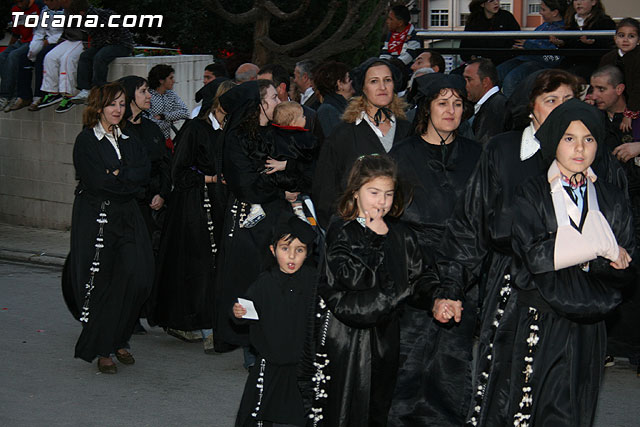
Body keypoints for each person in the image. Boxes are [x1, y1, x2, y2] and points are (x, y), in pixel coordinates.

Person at [435, 70, 628, 426]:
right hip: (514, 290)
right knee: (510, 393)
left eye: (567, 102)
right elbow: (470, 224)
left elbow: (621, 234)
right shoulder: (503, 151)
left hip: (583, 293)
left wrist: (606, 264)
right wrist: (451, 286)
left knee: (569, 396)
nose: (560, 111)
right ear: (531, 109)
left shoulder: (596, 158)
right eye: (550, 101)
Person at [499, 98, 634, 426]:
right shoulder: (530, 192)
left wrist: (593, 257)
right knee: (532, 407)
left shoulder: (611, 195)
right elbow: (536, 257)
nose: (580, 148)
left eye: (589, 139)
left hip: (591, 319)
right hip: (541, 316)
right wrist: (600, 247)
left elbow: (627, 260)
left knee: (577, 406)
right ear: (555, 139)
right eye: (569, 138)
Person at [312, 154, 440, 427]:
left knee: (377, 406)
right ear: (356, 192)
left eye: (388, 194)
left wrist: (439, 297)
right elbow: (349, 277)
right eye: (373, 192)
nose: (381, 201)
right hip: (346, 337)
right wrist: (371, 238)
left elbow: (417, 278)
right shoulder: (341, 228)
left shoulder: (400, 233)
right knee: (343, 407)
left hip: (384, 336)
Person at [387, 73, 482, 426]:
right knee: (408, 360)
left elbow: (484, 215)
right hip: (413, 267)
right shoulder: (401, 155)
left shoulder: (477, 154)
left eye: (457, 103)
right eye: (443, 103)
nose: (451, 110)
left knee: (453, 359)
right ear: (426, 108)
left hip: (463, 267)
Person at [215, 80, 314, 367]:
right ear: (256, 104)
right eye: (271, 97)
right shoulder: (235, 139)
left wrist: (289, 177)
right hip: (249, 221)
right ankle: (253, 349)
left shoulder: (273, 133)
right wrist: (280, 188)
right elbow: (246, 185)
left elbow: (298, 164)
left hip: (277, 217)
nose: (277, 102)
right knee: (250, 279)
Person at [61, 82, 153, 374]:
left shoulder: (130, 138)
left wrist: (118, 174)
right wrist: (125, 179)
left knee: (138, 276)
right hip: (96, 219)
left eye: (122, 104)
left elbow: (143, 174)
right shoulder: (86, 140)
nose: (118, 110)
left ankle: (119, 335)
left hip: (127, 217)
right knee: (102, 283)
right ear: (99, 107)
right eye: (112, 104)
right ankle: (104, 349)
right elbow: (97, 182)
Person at [149, 78, 234, 353]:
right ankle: (205, 326)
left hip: (222, 206)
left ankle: (211, 323)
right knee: (199, 267)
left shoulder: (231, 130)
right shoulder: (196, 128)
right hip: (194, 208)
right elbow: (179, 171)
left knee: (218, 267)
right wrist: (209, 178)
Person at [233, 215, 317, 427]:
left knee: (307, 413)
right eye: (285, 248)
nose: (292, 256)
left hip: (303, 363)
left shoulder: (313, 281)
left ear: (307, 253)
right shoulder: (264, 283)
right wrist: (239, 313)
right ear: (273, 250)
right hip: (270, 361)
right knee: (259, 412)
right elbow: (247, 313)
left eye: (299, 250)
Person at [313, 58, 411, 228]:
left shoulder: (409, 131)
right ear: (363, 88)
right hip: (355, 233)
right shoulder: (343, 133)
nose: (382, 87)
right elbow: (325, 189)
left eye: (387, 80)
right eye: (374, 81)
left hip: (402, 233)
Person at [589, 64, 640, 373]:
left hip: (633, 207)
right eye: (591, 89)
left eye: (601, 89)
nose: (594, 95)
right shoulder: (590, 121)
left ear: (618, 90)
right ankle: (605, 346)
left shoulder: (633, 121)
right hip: (601, 210)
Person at [241, 101, 317, 228]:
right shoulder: (307, 138)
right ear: (293, 122)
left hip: (276, 178)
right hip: (297, 179)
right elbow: (311, 159)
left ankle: (255, 206)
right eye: (303, 116)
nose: (305, 118)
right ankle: (299, 212)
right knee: (297, 193)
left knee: (259, 177)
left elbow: (262, 152)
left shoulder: (270, 135)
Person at [496, 0, 567, 98]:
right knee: (496, 73)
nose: (540, 12)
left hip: (539, 64)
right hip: (525, 59)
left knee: (512, 79)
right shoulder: (543, 26)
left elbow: (552, 58)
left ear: (555, 12)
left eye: (543, 9)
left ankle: (513, 110)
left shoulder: (563, 30)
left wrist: (528, 45)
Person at [7, 0, 64, 112]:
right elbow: (39, 32)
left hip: (60, 41)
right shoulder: (45, 11)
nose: (47, 3)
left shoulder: (65, 12)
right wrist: (34, 49)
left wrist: (48, 42)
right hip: (46, 40)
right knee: (24, 57)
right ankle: (24, 96)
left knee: (42, 57)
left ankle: (39, 95)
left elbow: (64, 32)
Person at [38, 0, 88, 110]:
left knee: (67, 59)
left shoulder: (82, 7)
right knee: (50, 57)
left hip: (82, 41)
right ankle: (52, 91)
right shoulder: (65, 10)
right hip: (69, 40)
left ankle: (69, 94)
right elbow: (65, 30)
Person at [554, 0, 615, 81]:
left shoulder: (605, 22)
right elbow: (569, 46)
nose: (578, 3)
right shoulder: (569, 22)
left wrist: (593, 42)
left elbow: (609, 45)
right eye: (575, 0)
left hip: (595, 65)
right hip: (570, 64)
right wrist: (561, 43)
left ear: (593, 2)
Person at [600, 17, 640, 138]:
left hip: (635, 106)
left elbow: (638, 88)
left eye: (631, 36)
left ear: (638, 40)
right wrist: (592, 96)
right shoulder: (608, 58)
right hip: (611, 105)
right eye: (621, 35)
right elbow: (599, 80)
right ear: (615, 38)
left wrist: (629, 114)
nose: (625, 40)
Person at [0, 0, 40, 110]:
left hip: (34, 41)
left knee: (14, 56)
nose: (19, 4)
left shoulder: (38, 7)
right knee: (2, 56)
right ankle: (9, 95)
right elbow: (16, 33)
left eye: (21, 1)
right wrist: (9, 47)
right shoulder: (15, 9)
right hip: (21, 41)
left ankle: (6, 95)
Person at [459, 0, 520, 66]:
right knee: (456, 74)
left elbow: (516, 43)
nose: (496, 3)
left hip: (503, 62)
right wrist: (472, 58)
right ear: (482, 4)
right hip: (479, 64)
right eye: (491, 1)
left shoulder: (506, 17)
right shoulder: (474, 20)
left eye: (497, 0)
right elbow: (465, 47)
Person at [463, 58, 507, 145]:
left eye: (469, 79)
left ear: (485, 82)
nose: (465, 84)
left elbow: (485, 147)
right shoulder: (495, 104)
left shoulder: (495, 107)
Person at [146, 64, 190, 142]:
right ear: (161, 80)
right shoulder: (148, 96)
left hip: (167, 141)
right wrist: (170, 121)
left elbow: (185, 112)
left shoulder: (171, 94)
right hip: (151, 142)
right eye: (170, 78)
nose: (173, 81)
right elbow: (151, 124)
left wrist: (163, 116)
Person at [313, 61, 355, 137]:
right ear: (340, 84)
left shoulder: (344, 105)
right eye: (348, 79)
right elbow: (339, 142)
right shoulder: (328, 111)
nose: (352, 82)